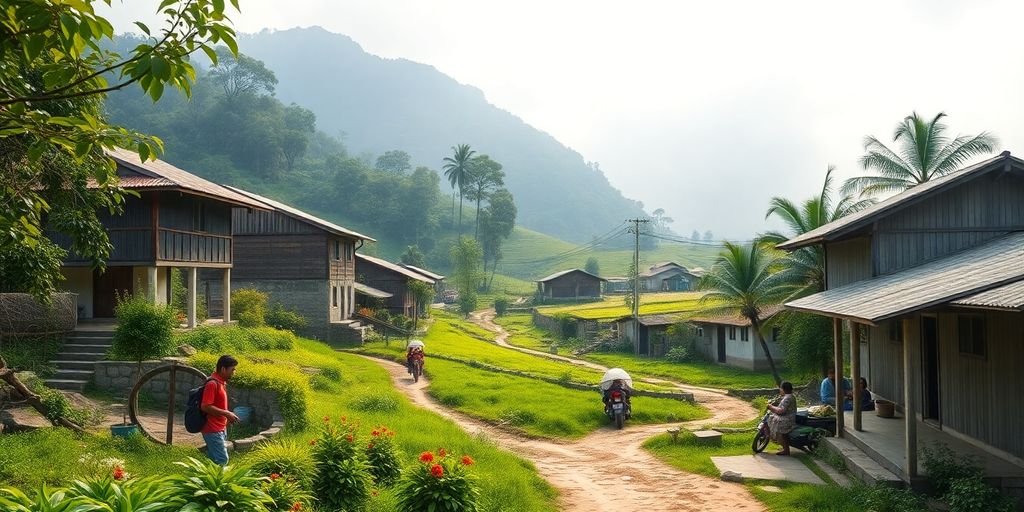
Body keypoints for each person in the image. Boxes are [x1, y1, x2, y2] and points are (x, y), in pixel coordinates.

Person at [200, 355, 239, 466]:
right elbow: (205, 406)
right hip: (212, 428)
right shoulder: (212, 384)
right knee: (222, 459)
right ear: (223, 369)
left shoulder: (221, 382)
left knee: (214, 460)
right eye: (232, 369)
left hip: (220, 427)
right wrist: (226, 413)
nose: (234, 372)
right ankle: (219, 482)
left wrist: (227, 416)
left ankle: (208, 481)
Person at [767, 381, 797, 456]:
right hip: (787, 417)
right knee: (773, 418)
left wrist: (771, 407)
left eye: (780, 388)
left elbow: (781, 410)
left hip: (787, 419)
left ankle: (786, 450)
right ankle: (784, 448)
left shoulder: (788, 398)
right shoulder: (789, 396)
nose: (780, 390)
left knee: (778, 425)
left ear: (783, 389)